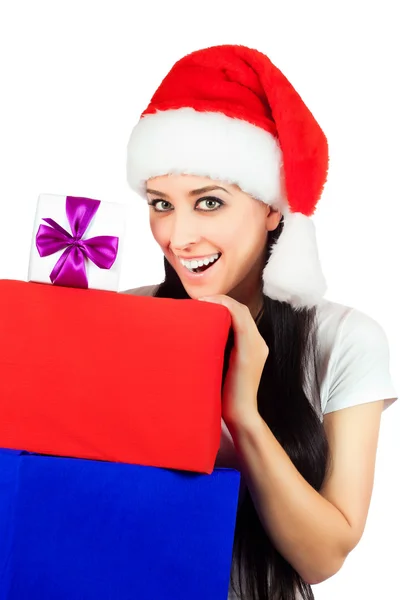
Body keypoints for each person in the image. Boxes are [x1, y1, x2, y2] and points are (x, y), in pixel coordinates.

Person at [122, 44, 398, 600]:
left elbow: (323, 558)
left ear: (273, 207)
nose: (177, 237)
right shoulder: (128, 318)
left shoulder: (343, 340)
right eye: (160, 203)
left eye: (208, 203)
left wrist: (242, 413)